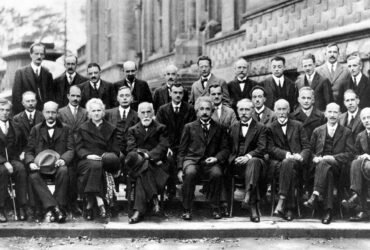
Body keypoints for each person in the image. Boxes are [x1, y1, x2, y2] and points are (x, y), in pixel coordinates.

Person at [177, 96, 229, 220]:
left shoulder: (219, 128)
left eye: (207, 109)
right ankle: (187, 208)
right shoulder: (189, 127)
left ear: (212, 111)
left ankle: (215, 207)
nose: (204, 112)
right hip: (192, 160)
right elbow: (182, 150)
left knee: (217, 174)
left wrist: (216, 158)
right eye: (201, 109)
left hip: (210, 162)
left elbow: (226, 149)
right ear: (197, 111)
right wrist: (180, 168)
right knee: (190, 173)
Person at [305, 103, 355, 224]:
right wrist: (314, 158)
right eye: (330, 112)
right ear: (325, 114)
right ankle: (328, 211)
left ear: (339, 115)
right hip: (318, 169)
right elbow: (309, 151)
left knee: (327, 165)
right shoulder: (317, 131)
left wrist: (332, 158)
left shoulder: (346, 132)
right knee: (328, 171)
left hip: (339, 168)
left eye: (335, 112)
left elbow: (350, 154)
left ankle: (315, 195)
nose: (332, 115)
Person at [25, 101, 74, 223]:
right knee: (33, 175)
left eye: (53, 112)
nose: (50, 115)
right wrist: (31, 162)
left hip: (58, 165)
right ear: (43, 113)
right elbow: (29, 151)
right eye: (48, 112)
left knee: (64, 171)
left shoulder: (66, 129)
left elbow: (71, 149)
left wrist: (63, 159)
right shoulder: (36, 129)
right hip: (41, 166)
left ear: (57, 113)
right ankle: (55, 208)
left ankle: (59, 206)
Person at [75, 98, 120, 221]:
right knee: (95, 165)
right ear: (89, 113)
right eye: (93, 110)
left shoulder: (111, 128)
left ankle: (90, 204)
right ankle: (100, 203)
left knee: (98, 166)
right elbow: (78, 148)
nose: (96, 113)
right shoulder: (82, 128)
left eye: (99, 110)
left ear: (103, 112)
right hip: (86, 160)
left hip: (104, 160)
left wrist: (105, 156)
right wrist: (87, 155)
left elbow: (115, 149)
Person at [125, 102, 170, 224]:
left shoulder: (161, 128)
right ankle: (154, 198)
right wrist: (146, 156)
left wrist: (146, 155)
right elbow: (131, 150)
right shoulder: (132, 130)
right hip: (141, 165)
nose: (146, 115)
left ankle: (138, 211)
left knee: (143, 171)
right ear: (138, 114)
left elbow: (162, 147)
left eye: (148, 112)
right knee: (145, 167)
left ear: (153, 113)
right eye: (143, 112)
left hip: (157, 166)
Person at [268, 99, 311, 221]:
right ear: (275, 111)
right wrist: (286, 154)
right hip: (277, 164)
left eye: (284, 109)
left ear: (288, 110)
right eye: (279, 109)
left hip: (297, 163)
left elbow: (307, 147)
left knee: (290, 166)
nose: (282, 112)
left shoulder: (298, 125)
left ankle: (281, 201)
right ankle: (289, 208)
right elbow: (270, 148)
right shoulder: (269, 128)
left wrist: (301, 156)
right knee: (288, 167)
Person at [228, 99, 267, 222]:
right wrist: (235, 158)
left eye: (247, 109)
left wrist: (247, 157)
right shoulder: (233, 127)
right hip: (236, 163)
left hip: (255, 163)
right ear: (237, 111)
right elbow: (228, 148)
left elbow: (262, 148)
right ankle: (226, 205)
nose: (244, 112)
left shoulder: (261, 128)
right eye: (241, 110)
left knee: (253, 162)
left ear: (253, 111)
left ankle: (250, 198)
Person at [156, 83, 196, 199]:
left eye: (180, 93)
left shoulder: (189, 109)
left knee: (186, 161)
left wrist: (187, 147)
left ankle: (188, 191)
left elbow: (193, 130)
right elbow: (160, 131)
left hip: (185, 145)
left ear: (183, 94)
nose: (178, 95)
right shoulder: (162, 110)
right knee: (168, 159)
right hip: (169, 146)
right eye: (175, 92)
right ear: (170, 93)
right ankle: (170, 188)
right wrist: (166, 147)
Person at [57, 85, 88, 216]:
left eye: (78, 96)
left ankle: (78, 203)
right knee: (67, 174)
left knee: (78, 175)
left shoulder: (86, 112)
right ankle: (65, 204)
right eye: (73, 95)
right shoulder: (60, 112)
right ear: (68, 96)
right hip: (66, 150)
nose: (75, 98)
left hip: (81, 150)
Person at [0, 99, 27, 222]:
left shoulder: (16, 126)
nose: (5, 113)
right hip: (0, 161)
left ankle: (21, 206)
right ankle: (1, 208)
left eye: (7, 110)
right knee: (3, 172)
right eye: (1, 110)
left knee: (21, 169)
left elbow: (25, 143)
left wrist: (23, 152)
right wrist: (4, 162)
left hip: (13, 158)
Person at [341, 108, 370, 221]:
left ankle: (355, 197)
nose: (367, 120)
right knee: (355, 161)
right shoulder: (360, 135)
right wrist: (361, 157)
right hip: (364, 167)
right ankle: (361, 203)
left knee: (357, 163)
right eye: (364, 118)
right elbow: (355, 154)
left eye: (369, 117)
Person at [12, 43, 54, 114]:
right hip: (26, 114)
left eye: (41, 54)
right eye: (36, 54)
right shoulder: (21, 73)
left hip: (43, 115)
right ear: (31, 55)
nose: (39, 56)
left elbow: (50, 97)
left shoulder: (48, 74)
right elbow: (16, 98)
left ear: (44, 56)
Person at [105, 86, 139, 156]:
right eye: (121, 96)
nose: (124, 98)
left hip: (131, 153)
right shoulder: (108, 114)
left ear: (132, 98)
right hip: (112, 153)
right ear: (117, 98)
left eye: (127, 95)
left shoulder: (137, 116)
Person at [13, 91, 45, 160]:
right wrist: (23, 152)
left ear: (36, 101)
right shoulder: (16, 119)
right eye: (28, 101)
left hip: (40, 150)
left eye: (33, 101)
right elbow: (18, 140)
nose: (30, 103)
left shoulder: (43, 116)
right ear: (23, 103)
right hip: (24, 151)